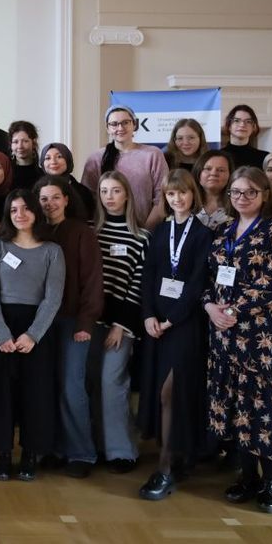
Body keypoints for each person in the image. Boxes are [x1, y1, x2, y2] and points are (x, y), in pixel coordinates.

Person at [203, 166, 272, 514]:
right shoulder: (222, 232)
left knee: (264, 406)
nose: (242, 198)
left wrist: (232, 311)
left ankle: (270, 481)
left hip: (266, 333)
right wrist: (210, 306)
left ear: (264, 194)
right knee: (239, 406)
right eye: (236, 192)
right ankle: (245, 476)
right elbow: (209, 279)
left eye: (250, 192)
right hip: (227, 334)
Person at [137, 169, 214, 501]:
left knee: (172, 391)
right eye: (171, 194)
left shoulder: (203, 234)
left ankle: (165, 468)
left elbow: (199, 282)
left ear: (192, 195)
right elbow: (149, 275)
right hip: (157, 324)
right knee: (161, 392)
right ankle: (175, 455)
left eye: (182, 193)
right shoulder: (160, 231)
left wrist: (171, 318)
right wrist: (148, 314)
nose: (177, 199)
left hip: (185, 324)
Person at [0, 188, 64, 482]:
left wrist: (33, 335)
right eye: (14, 210)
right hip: (1, 326)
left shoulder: (52, 251)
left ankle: (30, 453)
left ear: (36, 212)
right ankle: (3, 454)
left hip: (36, 330)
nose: (20, 214)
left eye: (25, 209)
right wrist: (1, 333)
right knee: (2, 393)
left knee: (35, 394)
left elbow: (53, 298)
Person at [36, 175, 104, 478]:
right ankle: (53, 448)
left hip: (73, 320)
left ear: (66, 199)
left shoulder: (81, 232)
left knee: (71, 385)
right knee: (48, 385)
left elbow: (92, 281)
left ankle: (82, 453)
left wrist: (86, 321)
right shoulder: (33, 232)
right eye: (44, 198)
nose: (49, 203)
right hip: (40, 323)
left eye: (55, 197)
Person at [90, 171, 150, 474]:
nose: (109, 196)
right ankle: (100, 446)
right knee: (93, 385)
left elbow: (138, 285)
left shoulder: (141, 237)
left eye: (115, 191)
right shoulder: (91, 232)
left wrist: (120, 325)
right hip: (90, 319)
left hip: (121, 323)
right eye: (104, 191)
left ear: (127, 195)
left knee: (111, 382)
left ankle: (122, 450)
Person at [82, 105, 167, 230]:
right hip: (106, 232)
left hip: (145, 231)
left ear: (134, 124)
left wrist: (145, 232)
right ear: (107, 128)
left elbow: (162, 197)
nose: (120, 128)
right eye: (114, 124)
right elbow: (88, 199)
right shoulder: (96, 158)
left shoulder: (153, 154)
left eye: (125, 122)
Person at [40, 143, 95, 221]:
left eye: (59, 157)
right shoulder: (37, 190)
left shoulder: (83, 192)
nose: (53, 162)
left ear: (68, 160)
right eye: (48, 158)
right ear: (42, 163)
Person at [219, 104, 268, 170]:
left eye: (248, 121)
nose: (242, 125)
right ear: (229, 126)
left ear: (253, 127)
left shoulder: (264, 157)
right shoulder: (218, 156)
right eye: (237, 120)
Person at [193, 150, 233, 230]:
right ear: (198, 172)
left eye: (221, 170)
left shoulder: (238, 204)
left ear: (230, 175)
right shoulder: (185, 202)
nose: (214, 173)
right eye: (208, 169)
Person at [9, 120, 44, 190]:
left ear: (34, 143)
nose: (20, 146)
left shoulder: (42, 174)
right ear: (11, 145)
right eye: (15, 142)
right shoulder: (6, 173)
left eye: (25, 141)